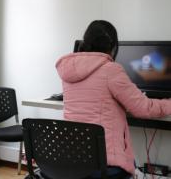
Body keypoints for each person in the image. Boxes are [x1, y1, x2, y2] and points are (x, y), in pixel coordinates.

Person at [56, 20, 171, 178]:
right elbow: (144, 108)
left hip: (74, 159)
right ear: (113, 46)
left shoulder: (68, 70)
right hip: (104, 163)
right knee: (133, 167)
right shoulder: (111, 69)